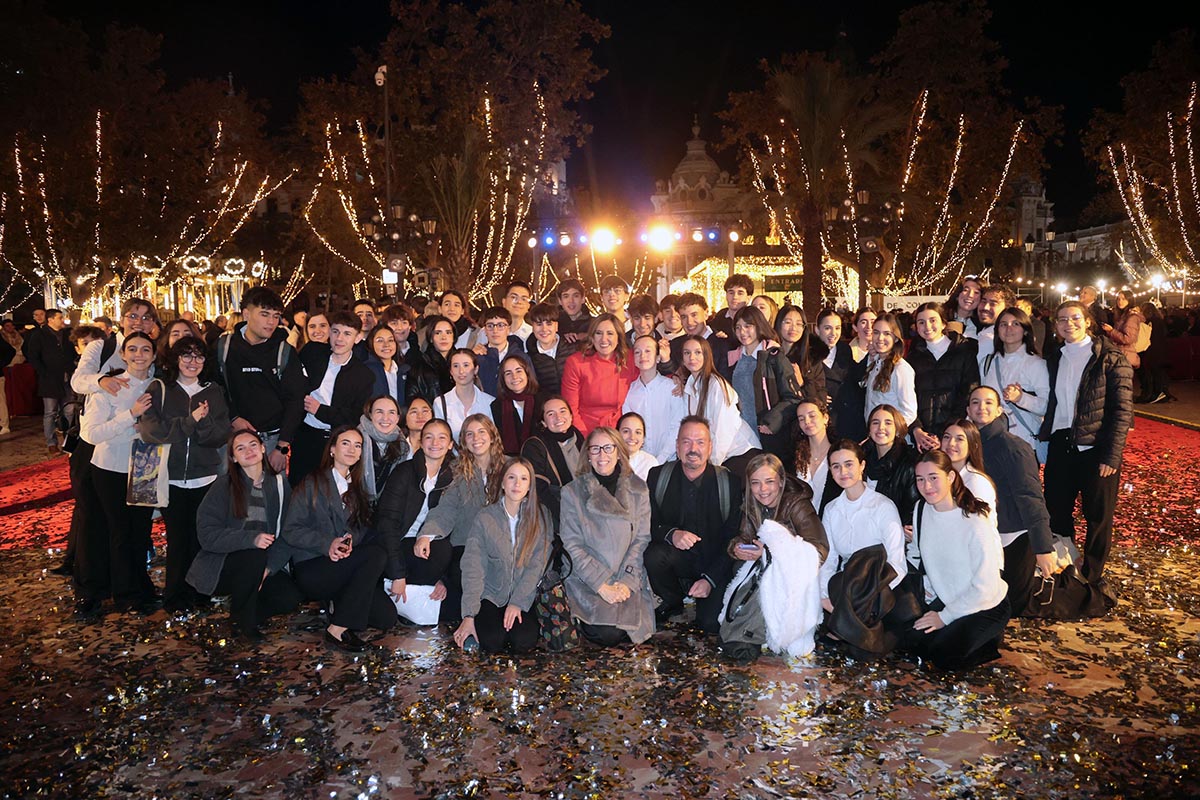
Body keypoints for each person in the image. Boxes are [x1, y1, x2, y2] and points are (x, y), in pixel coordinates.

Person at [1039, 301, 1133, 584]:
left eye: (1075, 318)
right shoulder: (1056, 357)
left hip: (1095, 447)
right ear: (1055, 325)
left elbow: (1123, 411)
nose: (1069, 324)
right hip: (1062, 443)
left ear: (1088, 321)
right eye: (1062, 319)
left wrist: (1112, 455)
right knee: (1056, 508)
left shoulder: (1111, 357)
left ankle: (1092, 574)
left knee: (1098, 514)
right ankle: (1067, 561)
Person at [282, 425, 395, 652]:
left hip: (344, 566)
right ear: (332, 449)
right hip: (314, 566)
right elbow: (290, 530)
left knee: (386, 618)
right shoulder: (312, 482)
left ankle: (338, 606)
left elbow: (362, 530)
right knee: (375, 555)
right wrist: (327, 544)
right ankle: (338, 628)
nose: (352, 449)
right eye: (346, 443)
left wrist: (351, 538)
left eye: (358, 445)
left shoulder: (357, 488)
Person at [139, 337, 232, 613]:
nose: (193, 363)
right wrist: (191, 421)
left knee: (203, 538)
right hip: (172, 476)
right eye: (187, 356)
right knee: (178, 539)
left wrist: (200, 426)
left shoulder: (213, 391)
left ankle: (201, 593)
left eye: (199, 357)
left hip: (205, 477)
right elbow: (153, 431)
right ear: (176, 359)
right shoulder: (161, 389)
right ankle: (175, 597)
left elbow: (219, 434)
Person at [899, 450, 1009, 670]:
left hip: (985, 605)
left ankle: (989, 638)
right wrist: (927, 590)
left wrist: (944, 617)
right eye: (920, 479)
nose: (926, 486)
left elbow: (985, 587)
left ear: (949, 477)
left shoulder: (974, 520)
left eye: (933, 478)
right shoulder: (922, 509)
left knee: (942, 657)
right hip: (947, 598)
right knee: (909, 643)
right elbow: (917, 552)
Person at [189, 430, 303, 642]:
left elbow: (289, 532)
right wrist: (251, 539)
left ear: (262, 448)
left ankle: (241, 614)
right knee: (254, 554)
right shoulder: (223, 486)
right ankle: (244, 626)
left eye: (253, 445)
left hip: (262, 564)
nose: (248, 451)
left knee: (290, 598)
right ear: (233, 457)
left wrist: (268, 569)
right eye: (240, 448)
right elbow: (207, 534)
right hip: (224, 563)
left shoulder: (278, 483)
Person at [75, 332, 158, 616]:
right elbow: (92, 433)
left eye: (145, 349)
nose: (139, 354)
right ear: (123, 354)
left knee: (141, 530)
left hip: (147, 464)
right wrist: (130, 416)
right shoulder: (110, 384)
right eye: (132, 349)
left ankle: (140, 585)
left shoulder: (157, 385)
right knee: (120, 531)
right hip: (111, 467)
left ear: (154, 355)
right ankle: (125, 594)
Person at [719, 452, 828, 662]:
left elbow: (819, 549)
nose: (763, 489)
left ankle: (754, 633)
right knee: (741, 569)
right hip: (769, 567)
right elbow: (744, 536)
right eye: (756, 483)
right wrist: (737, 548)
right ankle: (749, 629)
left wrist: (773, 555)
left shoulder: (797, 504)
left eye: (769, 481)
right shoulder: (753, 504)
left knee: (768, 577)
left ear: (780, 481)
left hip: (797, 576)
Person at [966, 386, 1059, 616]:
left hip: (1014, 537)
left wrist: (1043, 547)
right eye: (975, 402)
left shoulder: (1014, 447)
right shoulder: (963, 444)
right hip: (983, 535)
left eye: (988, 403)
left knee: (1015, 606)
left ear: (999, 410)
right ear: (968, 410)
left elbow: (1031, 498)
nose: (981, 408)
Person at [643, 416, 742, 632]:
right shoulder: (658, 476)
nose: (693, 448)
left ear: (710, 447)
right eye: (686, 441)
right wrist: (671, 534)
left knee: (709, 625)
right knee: (653, 555)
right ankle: (673, 600)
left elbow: (732, 540)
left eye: (700, 442)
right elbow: (647, 524)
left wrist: (710, 579)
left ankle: (702, 593)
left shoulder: (730, 484)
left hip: (714, 563)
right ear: (677, 446)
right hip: (676, 559)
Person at [559, 426, 655, 646]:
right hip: (589, 578)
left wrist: (626, 582)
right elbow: (572, 545)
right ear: (588, 456)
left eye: (608, 447)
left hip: (625, 573)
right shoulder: (572, 492)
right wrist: (602, 585)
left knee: (628, 631)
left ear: (619, 452)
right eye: (595, 449)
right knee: (607, 634)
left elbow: (641, 540)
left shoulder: (638, 489)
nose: (602, 455)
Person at [818, 439, 912, 656]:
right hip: (848, 585)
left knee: (862, 653)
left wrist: (864, 605)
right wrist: (824, 597)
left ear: (862, 465)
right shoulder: (832, 509)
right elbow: (830, 558)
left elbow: (897, 565)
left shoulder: (883, 506)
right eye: (836, 466)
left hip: (880, 589)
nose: (843, 472)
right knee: (838, 581)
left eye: (849, 464)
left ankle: (845, 628)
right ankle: (847, 627)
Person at [453, 457, 552, 654]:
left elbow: (538, 566)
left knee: (524, 641)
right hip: (491, 595)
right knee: (491, 642)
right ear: (503, 482)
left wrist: (517, 603)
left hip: (523, 595)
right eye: (512, 477)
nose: (517, 484)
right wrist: (469, 616)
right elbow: (474, 567)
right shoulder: (485, 517)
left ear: (530, 485)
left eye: (524, 479)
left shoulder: (540, 516)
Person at [415, 414, 508, 622]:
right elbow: (446, 509)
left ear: (492, 436)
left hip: (501, 548)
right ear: (463, 442)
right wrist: (427, 534)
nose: (476, 438)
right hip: (466, 545)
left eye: (481, 432)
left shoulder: (510, 468)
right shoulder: (457, 471)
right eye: (469, 434)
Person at [216, 287, 306, 475]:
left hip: (272, 440)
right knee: (231, 497)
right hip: (232, 438)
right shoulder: (224, 347)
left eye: (275, 316)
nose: (271, 322)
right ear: (246, 314)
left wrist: (282, 446)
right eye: (264, 314)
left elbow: (296, 400)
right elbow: (215, 389)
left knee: (272, 498)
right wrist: (233, 417)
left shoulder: (284, 352)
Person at [377, 418, 457, 624]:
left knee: (443, 550)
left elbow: (453, 523)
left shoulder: (454, 477)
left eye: (442, 438)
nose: (435, 443)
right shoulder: (404, 472)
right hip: (397, 544)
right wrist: (398, 574)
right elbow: (387, 523)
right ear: (421, 442)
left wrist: (442, 578)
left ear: (450, 445)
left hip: (426, 545)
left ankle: (413, 599)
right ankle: (395, 590)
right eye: (429, 437)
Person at [292, 311, 375, 487]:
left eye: (347, 334)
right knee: (299, 488)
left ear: (358, 337)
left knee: (331, 491)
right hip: (304, 436)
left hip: (335, 441)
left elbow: (353, 416)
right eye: (336, 331)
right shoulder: (313, 353)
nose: (339, 338)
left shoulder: (364, 375)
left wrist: (320, 410)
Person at [730, 306, 802, 464]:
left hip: (769, 434)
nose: (743, 332)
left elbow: (793, 397)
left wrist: (771, 422)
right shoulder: (735, 357)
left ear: (759, 326)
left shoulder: (774, 356)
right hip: (742, 436)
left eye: (748, 326)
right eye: (738, 327)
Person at [905, 303, 979, 452]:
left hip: (953, 435)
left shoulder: (963, 351)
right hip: (922, 437)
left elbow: (969, 392)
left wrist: (947, 431)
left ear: (943, 323)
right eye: (921, 322)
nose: (927, 326)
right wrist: (917, 429)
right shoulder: (913, 357)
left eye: (933, 320)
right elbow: (908, 397)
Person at [678, 335, 760, 469]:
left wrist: (711, 465)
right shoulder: (690, 387)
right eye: (687, 353)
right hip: (721, 457)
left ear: (707, 355)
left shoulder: (716, 384)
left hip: (740, 453)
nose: (692, 357)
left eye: (698, 352)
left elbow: (723, 430)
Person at [980, 307, 1050, 459]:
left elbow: (1048, 406)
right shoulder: (988, 363)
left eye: (1016, 324)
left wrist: (1021, 398)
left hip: (1024, 443)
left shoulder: (1036, 364)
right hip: (992, 441)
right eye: (1003, 324)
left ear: (1025, 330)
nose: (1009, 328)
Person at [560, 313, 639, 436]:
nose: (603, 339)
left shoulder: (629, 359)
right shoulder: (576, 362)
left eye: (610, 333)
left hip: (622, 431)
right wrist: (586, 439)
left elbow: (649, 379)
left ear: (618, 338)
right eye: (598, 333)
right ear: (592, 337)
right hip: (586, 431)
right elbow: (571, 409)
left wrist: (677, 378)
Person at [520, 396, 585, 526]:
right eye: (551, 414)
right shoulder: (534, 446)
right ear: (543, 422)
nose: (558, 417)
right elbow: (538, 490)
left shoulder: (578, 437)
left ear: (571, 416)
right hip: (556, 514)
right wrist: (568, 517)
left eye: (562, 411)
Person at [621, 335, 686, 463]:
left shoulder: (672, 388)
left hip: (669, 461)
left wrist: (660, 459)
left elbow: (677, 426)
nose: (642, 356)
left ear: (657, 358)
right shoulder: (630, 391)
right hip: (638, 462)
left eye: (648, 351)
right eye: (637, 352)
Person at [864, 404, 921, 527]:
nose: (881, 427)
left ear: (897, 429)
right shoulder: (861, 460)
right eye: (875, 422)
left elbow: (911, 509)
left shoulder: (910, 463)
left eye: (888, 423)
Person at [25, 308, 72, 452]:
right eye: (59, 318)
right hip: (49, 379)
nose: (62, 320)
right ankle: (51, 442)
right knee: (50, 412)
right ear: (50, 319)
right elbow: (33, 356)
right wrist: (43, 372)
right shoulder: (39, 335)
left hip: (67, 378)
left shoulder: (67, 334)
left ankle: (69, 440)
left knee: (69, 410)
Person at [816, 308, 865, 441]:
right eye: (827, 328)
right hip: (823, 419)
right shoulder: (808, 354)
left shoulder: (844, 349)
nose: (833, 333)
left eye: (837, 328)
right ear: (817, 330)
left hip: (847, 417)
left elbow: (855, 373)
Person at [938, 419, 997, 528]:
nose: (951, 443)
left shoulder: (976, 482)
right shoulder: (940, 476)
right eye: (947, 437)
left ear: (972, 446)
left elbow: (979, 527)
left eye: (959, 439)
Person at [863, 314, 917, 428]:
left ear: (896, 338)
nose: (880, 338)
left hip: (891, 439)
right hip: (874, 436)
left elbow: (909, 412)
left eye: (887, 334)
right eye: (876, 332)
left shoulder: (901, 369)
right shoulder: (875, 363)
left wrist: (890, 432)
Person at [357, 395, 410, 507]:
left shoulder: (402, 445)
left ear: (397, 418)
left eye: (391, 412)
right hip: (354, 505)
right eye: (379, 412)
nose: (385, 418)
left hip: (385, 507)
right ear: (370, 415)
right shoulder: (357, 439)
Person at [435, 348, 494, 440]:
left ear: (476, 369)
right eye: (455, 366)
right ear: (451, 371)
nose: (461, 371)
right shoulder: (440, 403)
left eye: (466, 365)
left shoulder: (490, 402)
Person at [774, 304, 827, 405]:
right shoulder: (770, 355)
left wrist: (802, 384)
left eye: (799, 324)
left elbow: (820, 398)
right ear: (778, 324)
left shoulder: (812, 357)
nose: (793, 328)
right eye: (788, 322)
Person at [794, 399, 840, 514]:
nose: (807, 421)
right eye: (801, 418)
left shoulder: (839, 455)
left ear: (825, 418)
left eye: (812, 416)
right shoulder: (796, 458)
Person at [667, 293, 732, 374]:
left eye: (694, 315)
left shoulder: (723, 345)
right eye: (684, 317)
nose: (689, 322)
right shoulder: (675, 345)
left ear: (706, 314)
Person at [491, 354, 542, 455]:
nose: (514, 377)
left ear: (527, 373)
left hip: (543, 460)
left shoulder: (543, 400)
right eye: (508, 373)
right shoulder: (497, 406)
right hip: (511, 462)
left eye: (519, 371)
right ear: (503, 379)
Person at [471, 307, 525, 396]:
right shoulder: (477, 357)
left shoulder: (521, 357)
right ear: (484, 330)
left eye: (500, 325)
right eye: (490, 326)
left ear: (508, 329)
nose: (495, 331)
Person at [525, 302, 572, 395]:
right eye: (539, 324)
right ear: (533, 327)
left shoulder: (572, 348)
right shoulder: (529, 359)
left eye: (549, 323)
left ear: (556, 326)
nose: (544, 329)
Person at [407, 316, 456, 403]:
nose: (443, 337)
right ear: (431, 338)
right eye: (438, 333)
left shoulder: (462, 361)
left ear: (454, 337)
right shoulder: (419, 365)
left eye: (448, 332)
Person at [363, 322, 410, 409]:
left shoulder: (405, 370)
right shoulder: (365, 371)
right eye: (380, 340)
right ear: (371, 343)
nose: (386, 345)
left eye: (391, 340)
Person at [1102, 289, 1145, 373]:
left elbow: (1128, 339)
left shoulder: (1131, 317)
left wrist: (1111, 331)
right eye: (1118, 299)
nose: (1120, 301)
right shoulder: (1122, 316)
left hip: (1125, 356)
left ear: (1130, 300)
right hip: (1121, 355)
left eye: (1123, 299)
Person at [1136, 301, 1171, 404]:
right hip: (1161, 350)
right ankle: (1162, 392)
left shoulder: (1150, 322)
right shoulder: (1159, 320)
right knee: (1159, 372)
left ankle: (1157, 393)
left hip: (1153, 350)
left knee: (1154, 372)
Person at [973, 284, 1013, 361]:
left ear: (1007, 309)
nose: (985, 307)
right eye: (983, 301)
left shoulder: (990, 340)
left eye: (993, 303)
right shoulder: (982, 332)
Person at [708, 273, 754, 338]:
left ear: (748, 297)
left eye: (740, 293)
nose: (735, 297)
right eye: (731, 292)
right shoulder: (719, 317)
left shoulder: (753, 318)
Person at [617, 411, 659, 481]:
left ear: (643, 438)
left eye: (638, 432)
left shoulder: (650, 463)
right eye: (626, 431)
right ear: (617, 434)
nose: (632, 437)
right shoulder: (607, 460)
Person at [556, 279, 593, 345]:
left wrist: (589, 337)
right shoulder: (551, 326)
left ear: (583, 298)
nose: (571, 301)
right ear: (560, 301)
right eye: (566, 296)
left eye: (575, 296)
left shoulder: (594, 325)